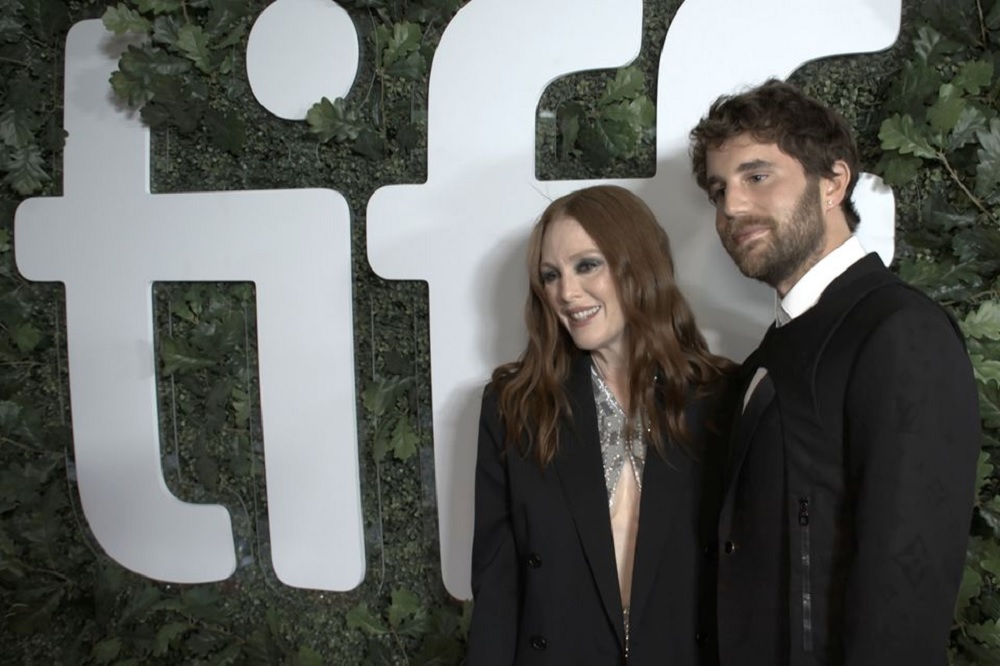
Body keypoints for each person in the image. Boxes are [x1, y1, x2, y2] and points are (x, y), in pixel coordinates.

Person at [688, 79, 981, 665]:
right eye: (719, 190)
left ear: (833, 182)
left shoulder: (899, 331)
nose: (732, 208)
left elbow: (906, 589)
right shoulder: (772, 350)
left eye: (757, 176)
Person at [465, 185, 734, 664]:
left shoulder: (722, 397)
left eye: (587, 265)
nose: (566, 293)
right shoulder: (515, 406)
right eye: (551, 275)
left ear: (638, 264)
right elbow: (497, 586)